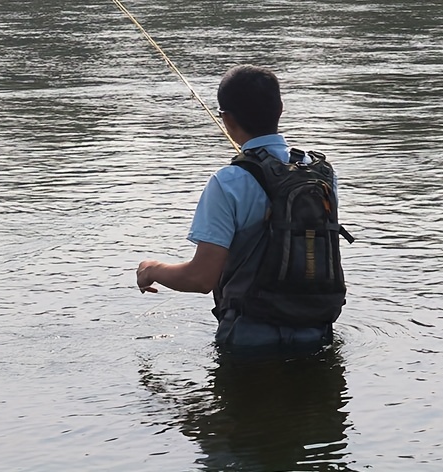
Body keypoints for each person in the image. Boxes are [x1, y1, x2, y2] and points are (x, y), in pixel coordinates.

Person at [136, 64, 342, 350]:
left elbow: (200, 278)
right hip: (318, 331)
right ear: (280, 108)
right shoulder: (321, 173)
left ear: (227, 119)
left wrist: (152, 269)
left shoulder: (227, 182)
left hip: (251, 339)